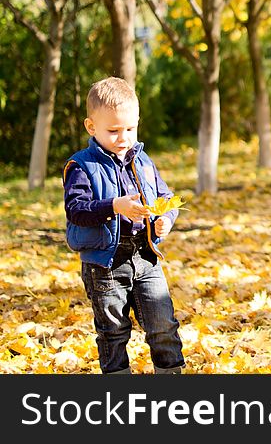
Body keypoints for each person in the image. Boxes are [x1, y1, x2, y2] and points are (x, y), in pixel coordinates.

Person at [62, 77, 185, 374]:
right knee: (113, 332)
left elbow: (166, 197)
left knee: (163, 325)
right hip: (104, 265)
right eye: (113, 131)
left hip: (146, 258)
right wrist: (115, 206)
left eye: (130, 129)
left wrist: (165, 220)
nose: (123, 138)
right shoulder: (81, 166)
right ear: (91, 127)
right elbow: (76, 210)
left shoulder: (143, 161)